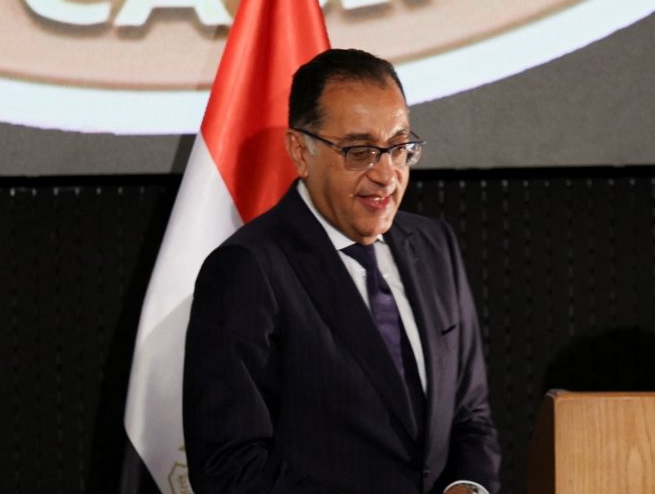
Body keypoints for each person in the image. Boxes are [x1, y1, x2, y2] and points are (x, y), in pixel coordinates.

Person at [183, 49, 500, 493]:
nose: (387, 175)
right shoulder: (248, 269)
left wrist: (467, 486)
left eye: (399, 147)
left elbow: (470, 414)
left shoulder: (435, 247)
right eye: (361, 151)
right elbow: (230, 467)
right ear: (300, 151)